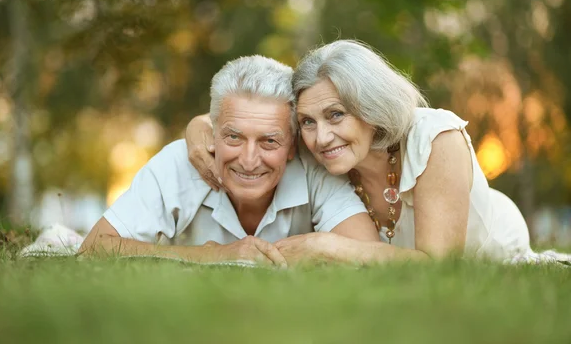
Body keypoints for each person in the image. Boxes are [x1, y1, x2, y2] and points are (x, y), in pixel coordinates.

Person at [187, 40, 544, 263]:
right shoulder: (323, 151)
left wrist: (327, 246)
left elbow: (439, 267)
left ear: (371, 106)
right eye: (307, 121)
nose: (321, 137)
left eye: (336, 115)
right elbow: (251, 118)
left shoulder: (436, 138)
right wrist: (199, 126)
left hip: (496, 247)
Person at [79, 54, 376, 266]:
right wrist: (212, 255)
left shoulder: (314, 169)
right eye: (233, 137)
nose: (248, 160)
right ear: (212, 132)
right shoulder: (176, 164)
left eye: (269, 141)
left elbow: (369, 255)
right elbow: (94, 248)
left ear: (292, 146)